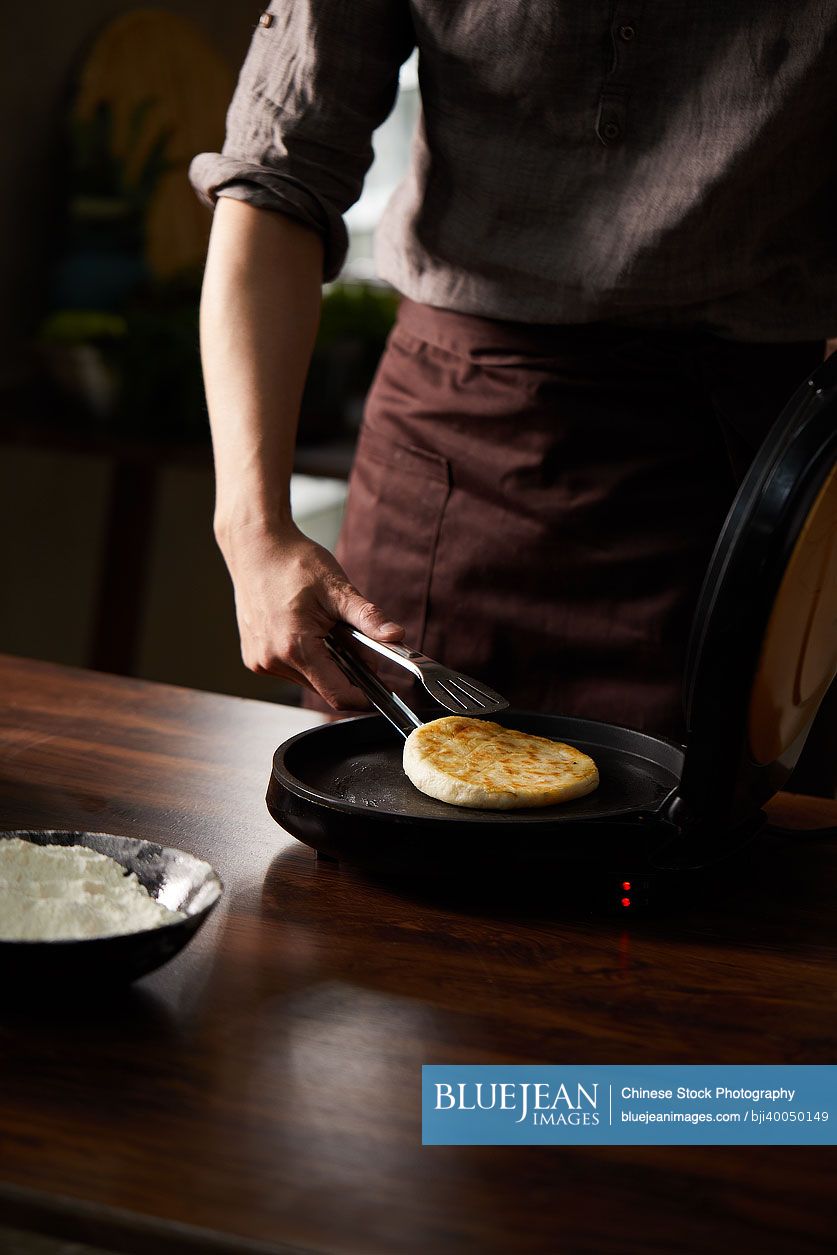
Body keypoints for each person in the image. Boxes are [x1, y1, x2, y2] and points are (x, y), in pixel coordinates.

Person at [190, 3, 836, 738]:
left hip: (749, 476)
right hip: (454, 460)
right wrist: (253, 531)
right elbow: (277, 177)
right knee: (385, 819)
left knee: (738, 842)